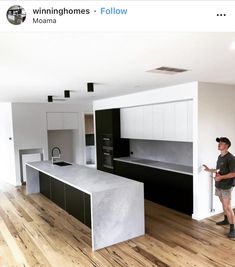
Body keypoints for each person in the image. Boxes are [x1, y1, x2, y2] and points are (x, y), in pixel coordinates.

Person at [203, 137, 235, 238]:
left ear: (226, 145)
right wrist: (210, 170)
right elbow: (219, 170)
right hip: (219, 185)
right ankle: (226, 219)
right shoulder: (220, 157)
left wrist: (220, 177)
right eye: (219, 143)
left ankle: (233, 229)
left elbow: (233, 173)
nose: (219, 144)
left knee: (228, 207)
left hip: (226, 186)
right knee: (223, 204)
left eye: (221, 143)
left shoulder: (231, 158)